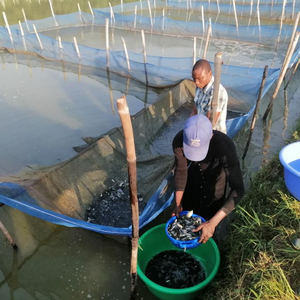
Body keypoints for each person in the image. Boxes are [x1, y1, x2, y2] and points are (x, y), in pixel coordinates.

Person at [172, 114, 244, 244]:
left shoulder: (224, 147)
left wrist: (212, 223)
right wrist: (177, 203)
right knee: (187, 217)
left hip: (215, 184)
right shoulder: (179, 142)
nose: (195, 157)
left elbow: (238, 189)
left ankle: (211, 237)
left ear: (211, 136)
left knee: (210, 221)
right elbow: (181, 171)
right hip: (192, 180)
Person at [191, 59, 228, 134]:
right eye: (194, 79)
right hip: (199, 128)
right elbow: (195, 111)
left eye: (200, 79)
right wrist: (188, 128)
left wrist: (195, 135)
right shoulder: (199, 86)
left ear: (210, 74)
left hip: (213, 134)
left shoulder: (217, 93)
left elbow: (209, 123)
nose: (196, 82)